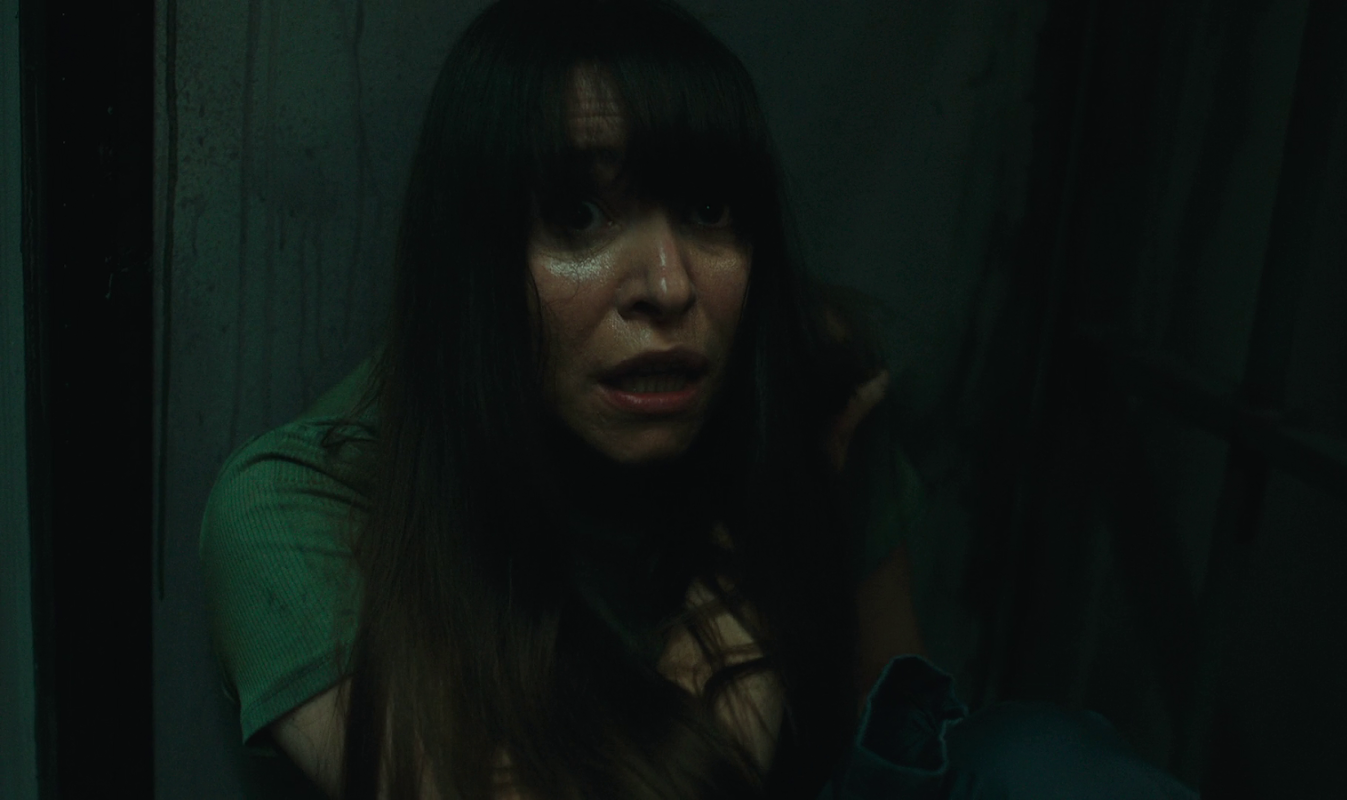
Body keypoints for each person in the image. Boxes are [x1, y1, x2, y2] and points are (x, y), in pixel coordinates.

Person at [200, 1, 1200, 798]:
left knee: (1039, 761)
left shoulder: (801, 392)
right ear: (474, 256)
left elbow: (908, 754)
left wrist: (802, 475)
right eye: (580, 215)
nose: (669, 286)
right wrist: (757, 541)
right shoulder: (300, 510)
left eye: (710, 209)